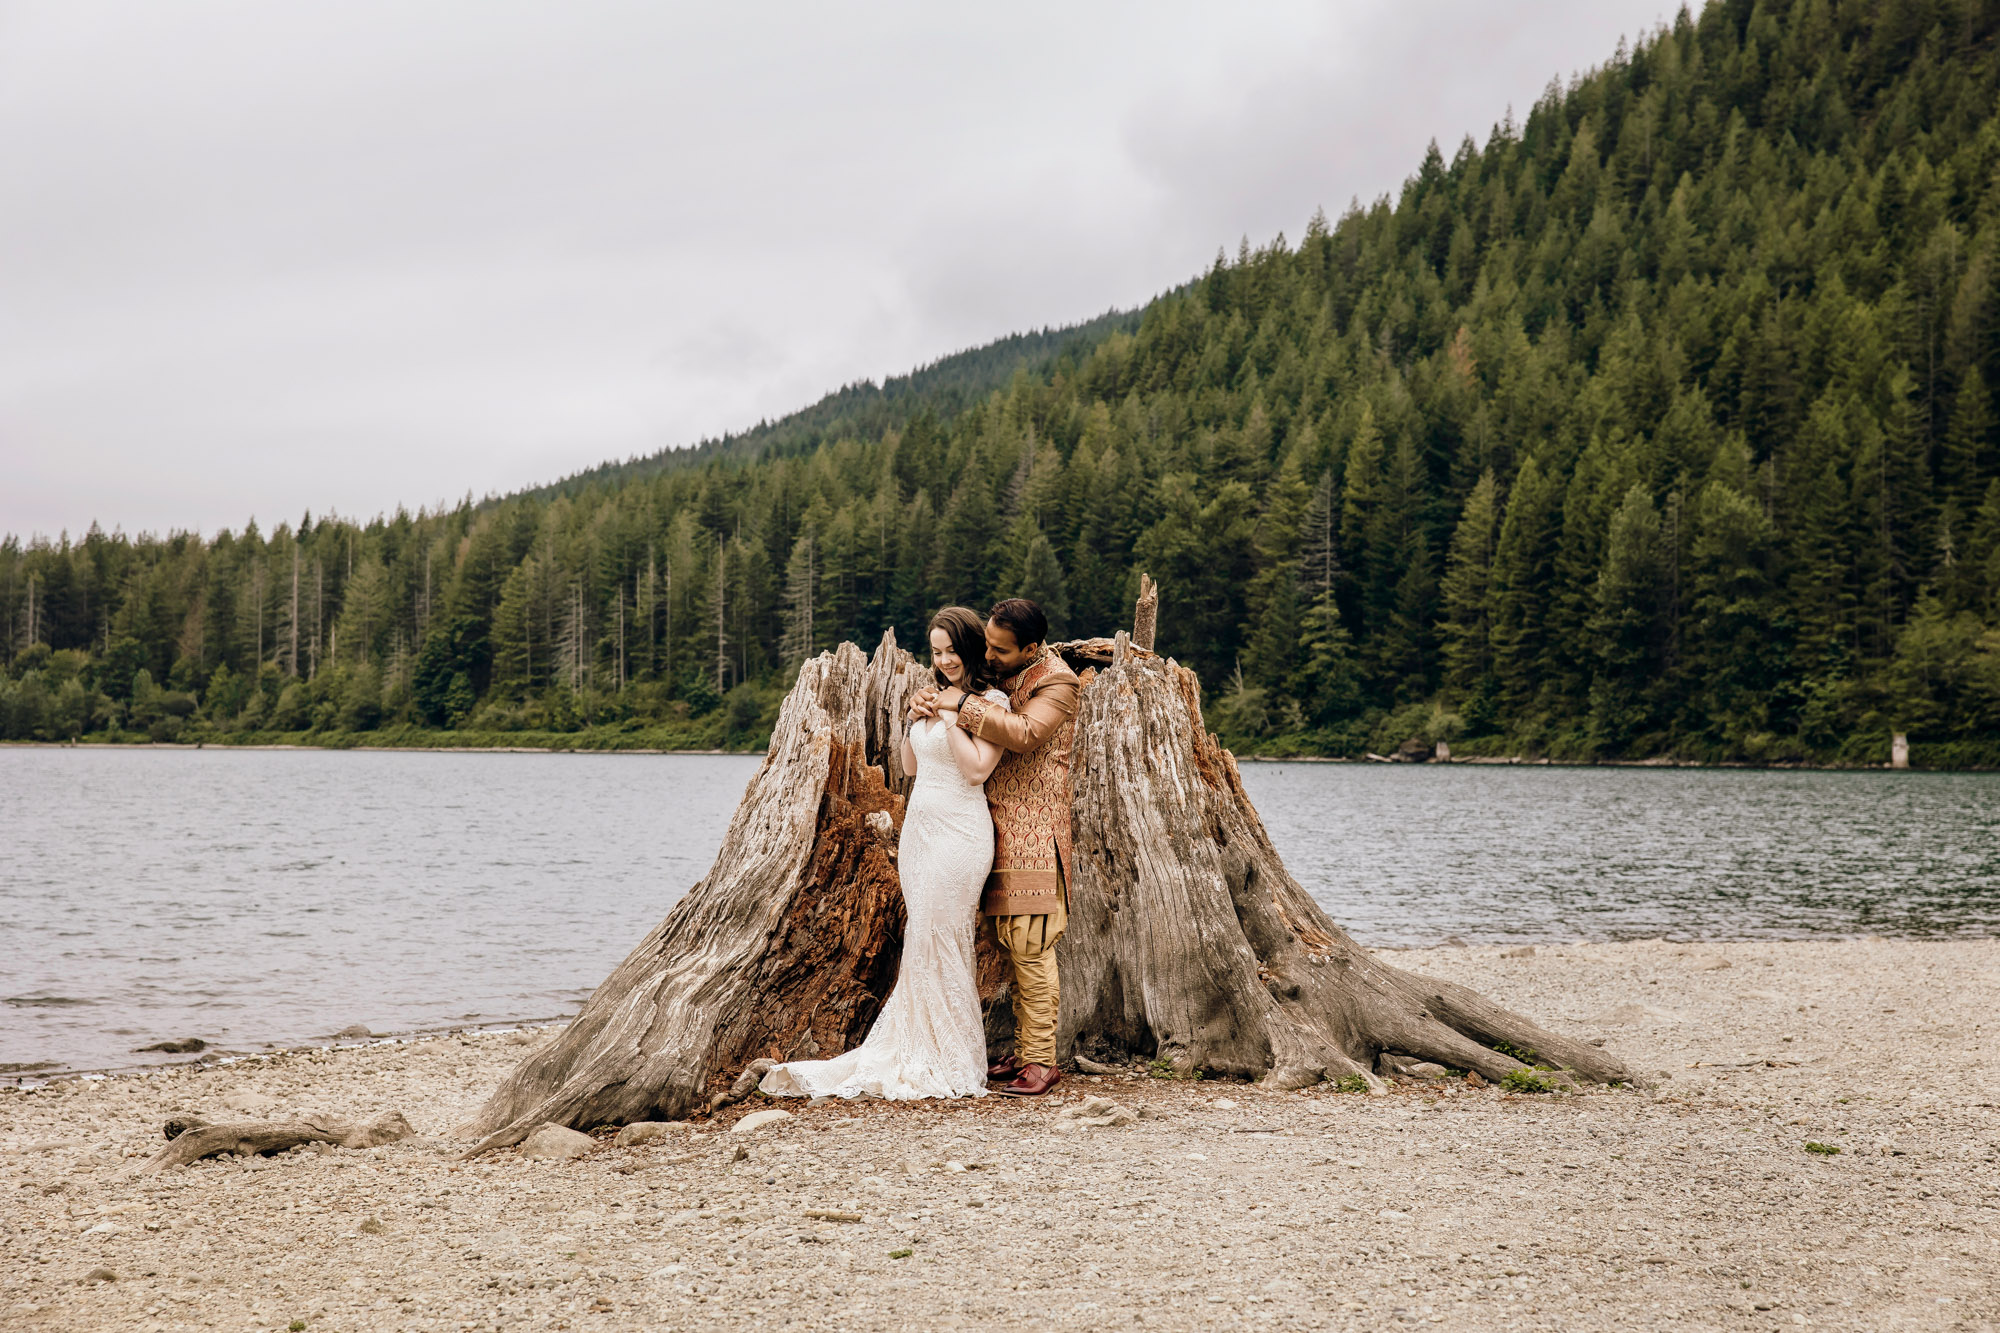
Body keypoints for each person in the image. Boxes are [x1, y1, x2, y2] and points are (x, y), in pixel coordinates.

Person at [758, 607, 1008, 1101]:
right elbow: (912, 767)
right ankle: (921, 1044)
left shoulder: (990, 702)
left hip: (962, 831)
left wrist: (954, 717)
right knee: (922, 934)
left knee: (944, 934)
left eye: (951, 651)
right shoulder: (936, 695)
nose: (943, 660)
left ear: (971, 647)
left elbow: (978, 770)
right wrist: (913, 719)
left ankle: (952, 1056)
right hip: (920, 828)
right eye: (936, 652)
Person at [909, 597, 1078, 1097]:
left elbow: (1025, 734)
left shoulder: (1058, 682)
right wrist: (930, 702)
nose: (989, 654)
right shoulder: (1001, 676)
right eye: (985, 642)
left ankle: (1042, 1062)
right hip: (988, 827)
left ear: (1030, 647)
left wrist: (958, 704)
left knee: (1031, 946)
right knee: (1006, 945)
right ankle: (1022, 1053)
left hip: (1034, 834)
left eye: (999, 649)